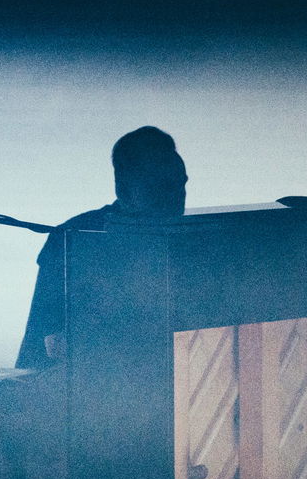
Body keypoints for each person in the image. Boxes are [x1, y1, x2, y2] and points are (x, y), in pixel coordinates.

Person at [15, 126, 188, 370]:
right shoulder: (73, 238)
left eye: (180, 184)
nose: (178, 196)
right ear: (124, 185)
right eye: (163, 186)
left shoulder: (192, 241)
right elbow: (44, 336)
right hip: (86, 384)